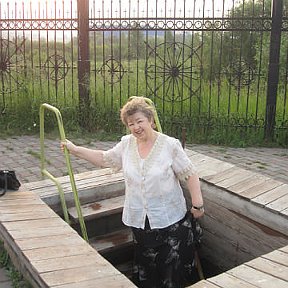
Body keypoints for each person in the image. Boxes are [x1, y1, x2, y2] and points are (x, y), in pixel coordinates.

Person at [61, 96, 204, 288]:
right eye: (131, 123)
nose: (136, 127)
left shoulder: (169, 145)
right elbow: (105, 159)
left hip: (170, 221)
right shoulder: (127, 144)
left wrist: (197, 204)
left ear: (151, 120)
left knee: (172, 272)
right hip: (140, 220)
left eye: (139, 121)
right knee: (148, 270)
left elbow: (190, 174)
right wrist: (75, 149)